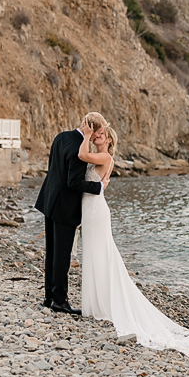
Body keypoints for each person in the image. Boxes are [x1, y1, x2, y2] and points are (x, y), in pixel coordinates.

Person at [77, 121, 189, 355]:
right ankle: (97, 305)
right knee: (95, 255)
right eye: (96, 133)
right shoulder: (100, 156)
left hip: (96, 212)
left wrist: (84, 134)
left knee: (101, 254)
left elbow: (81, 154)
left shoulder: (103, 157)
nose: (96, 135)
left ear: (109, 141)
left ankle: (104, 306)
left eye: (101, 134)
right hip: (91, 208)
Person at [35, 112, 109, 315]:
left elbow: (53, 169)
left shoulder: (61, 137)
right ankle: (60, 301)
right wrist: (99, 187)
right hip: (65, 207)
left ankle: (49, 297)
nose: (100, 136)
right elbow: (74, 183)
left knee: (52, 252)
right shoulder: (79, 148)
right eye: (100, 131)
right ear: (92, 129)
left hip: (49, 201)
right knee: (62, 256)